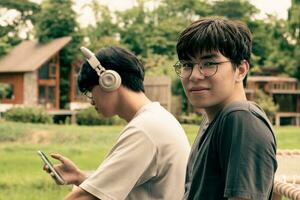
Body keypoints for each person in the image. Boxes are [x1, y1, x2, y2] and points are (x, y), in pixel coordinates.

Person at [44, 46, 190, 200]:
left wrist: (84, 190)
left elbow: (85, 198)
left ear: (109, 80)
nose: (91, 100)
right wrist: (80, 177)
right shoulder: (156, 120)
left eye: (89, 91)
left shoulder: (145, 130)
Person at [173, 16, 277, 200]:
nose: (195, 75)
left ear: (241, 70)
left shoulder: (242, 118)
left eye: (209, 64)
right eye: (187, 65)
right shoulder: (212, 119)